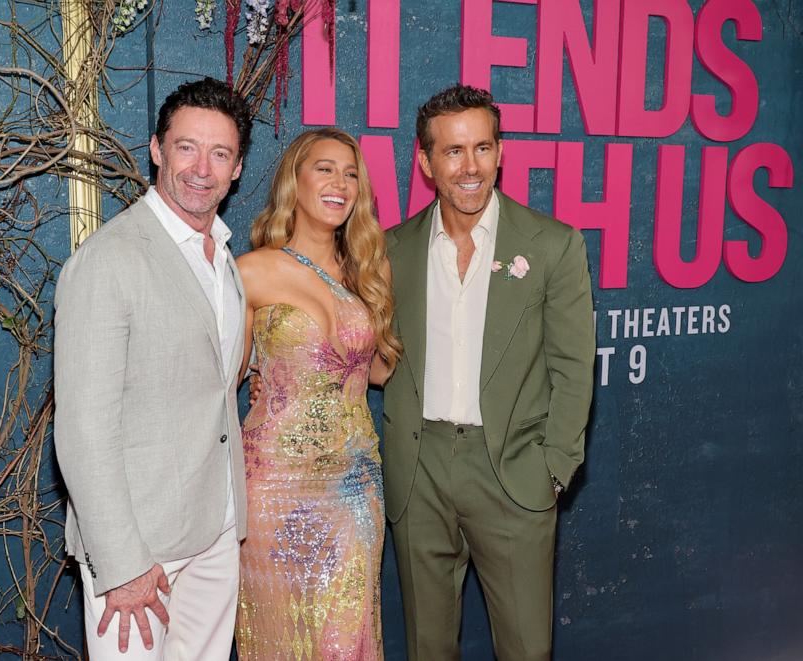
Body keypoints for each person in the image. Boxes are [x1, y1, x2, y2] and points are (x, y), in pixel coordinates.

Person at [382, 84, 595, 660]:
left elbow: (575, 367)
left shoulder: (552, 245)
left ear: (501, 152)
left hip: (513, 472)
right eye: (452, 152)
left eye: (482, 147)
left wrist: (554, 468)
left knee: (526, 648)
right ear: (426, 162)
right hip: (419, 472)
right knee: (427, 647)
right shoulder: (391, 249)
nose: (470, 166)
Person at [53, 77, 253, 660]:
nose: (201, 168)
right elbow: (82, 429)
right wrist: (122, 563)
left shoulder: (222, 257)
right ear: (157, 149)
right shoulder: (108, 261)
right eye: (187, 147)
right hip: (140, 547)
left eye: (221, 154)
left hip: (215, 529)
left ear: (237, 169)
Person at [234, 128, 401, 660]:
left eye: (351, 174)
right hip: (273, 486)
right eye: (325, 168)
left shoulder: (367, 272)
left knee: (343, 641)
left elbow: (378, 372)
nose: (340, 183)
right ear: (295, 180)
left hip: (353, 486)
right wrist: (267, 369)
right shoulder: (251, 270)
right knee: (278, 635)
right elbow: (223, 378)